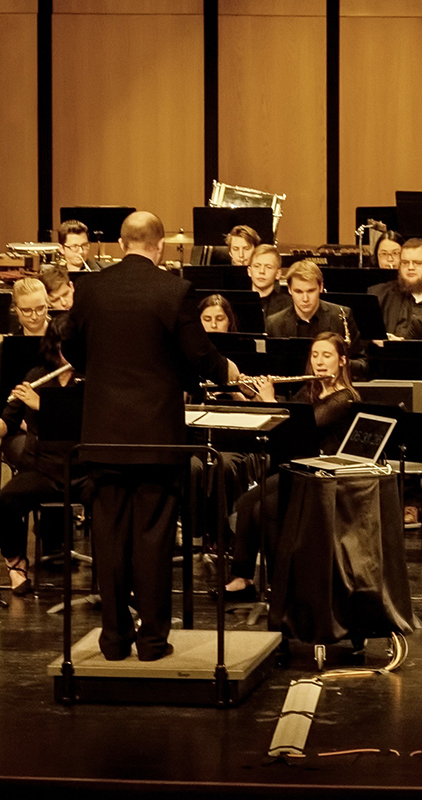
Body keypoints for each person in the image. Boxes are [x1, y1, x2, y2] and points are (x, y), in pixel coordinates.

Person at [62, 211, 237, 662]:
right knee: (153, 539)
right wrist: (226, 372)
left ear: (122, 245)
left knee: (109, 536)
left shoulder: (91, 288)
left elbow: (72, 349)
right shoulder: (173, 290)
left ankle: (114, 639)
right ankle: (153, 641)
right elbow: (199, 353)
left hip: (101, 435)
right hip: (157, 438)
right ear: (159, 246)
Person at [222, 333, 360, 599]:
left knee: (266, 509)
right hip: (297, 469)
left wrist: (269, 399)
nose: (319, 362)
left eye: (327, 355)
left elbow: (301, 427)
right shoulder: (309, 390)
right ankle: (242, 578)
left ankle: (281, 584)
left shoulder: (345, 398)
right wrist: (244, 393)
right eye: (315, 355)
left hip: (323, 476)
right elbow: (274, 421)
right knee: (247, 503)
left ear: (342, 361)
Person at [0, 315, 84, 595]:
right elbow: (8, 422)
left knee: (116, 501)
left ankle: (114, 579)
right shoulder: (36, 376)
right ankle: (16, 563)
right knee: (6, 499)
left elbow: (90, 423)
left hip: (84, 469)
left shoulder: (91, 378)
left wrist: (42, 405)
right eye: (60, 346)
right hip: (43, 467)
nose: (64, 353)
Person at [265, 260, 366, 374]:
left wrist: (338, 363)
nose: (305, 298)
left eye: (311, 291)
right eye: (298, 291)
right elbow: (269, 368)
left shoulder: (341, 316)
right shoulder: (274, 323)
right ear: (289, 290)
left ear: (321, 287)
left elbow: (362, 364)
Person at [368, 238, 422, 339]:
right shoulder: (379, 294)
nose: (410, 267)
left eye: (417, 263)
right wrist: (375, 341)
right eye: (405, 263)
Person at [248, 244, 291, 321]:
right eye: (257, 266)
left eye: (268, 267)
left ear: (278, 274)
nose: (262, 271)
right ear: (249, 271)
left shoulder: (289, 306)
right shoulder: (233, 302)